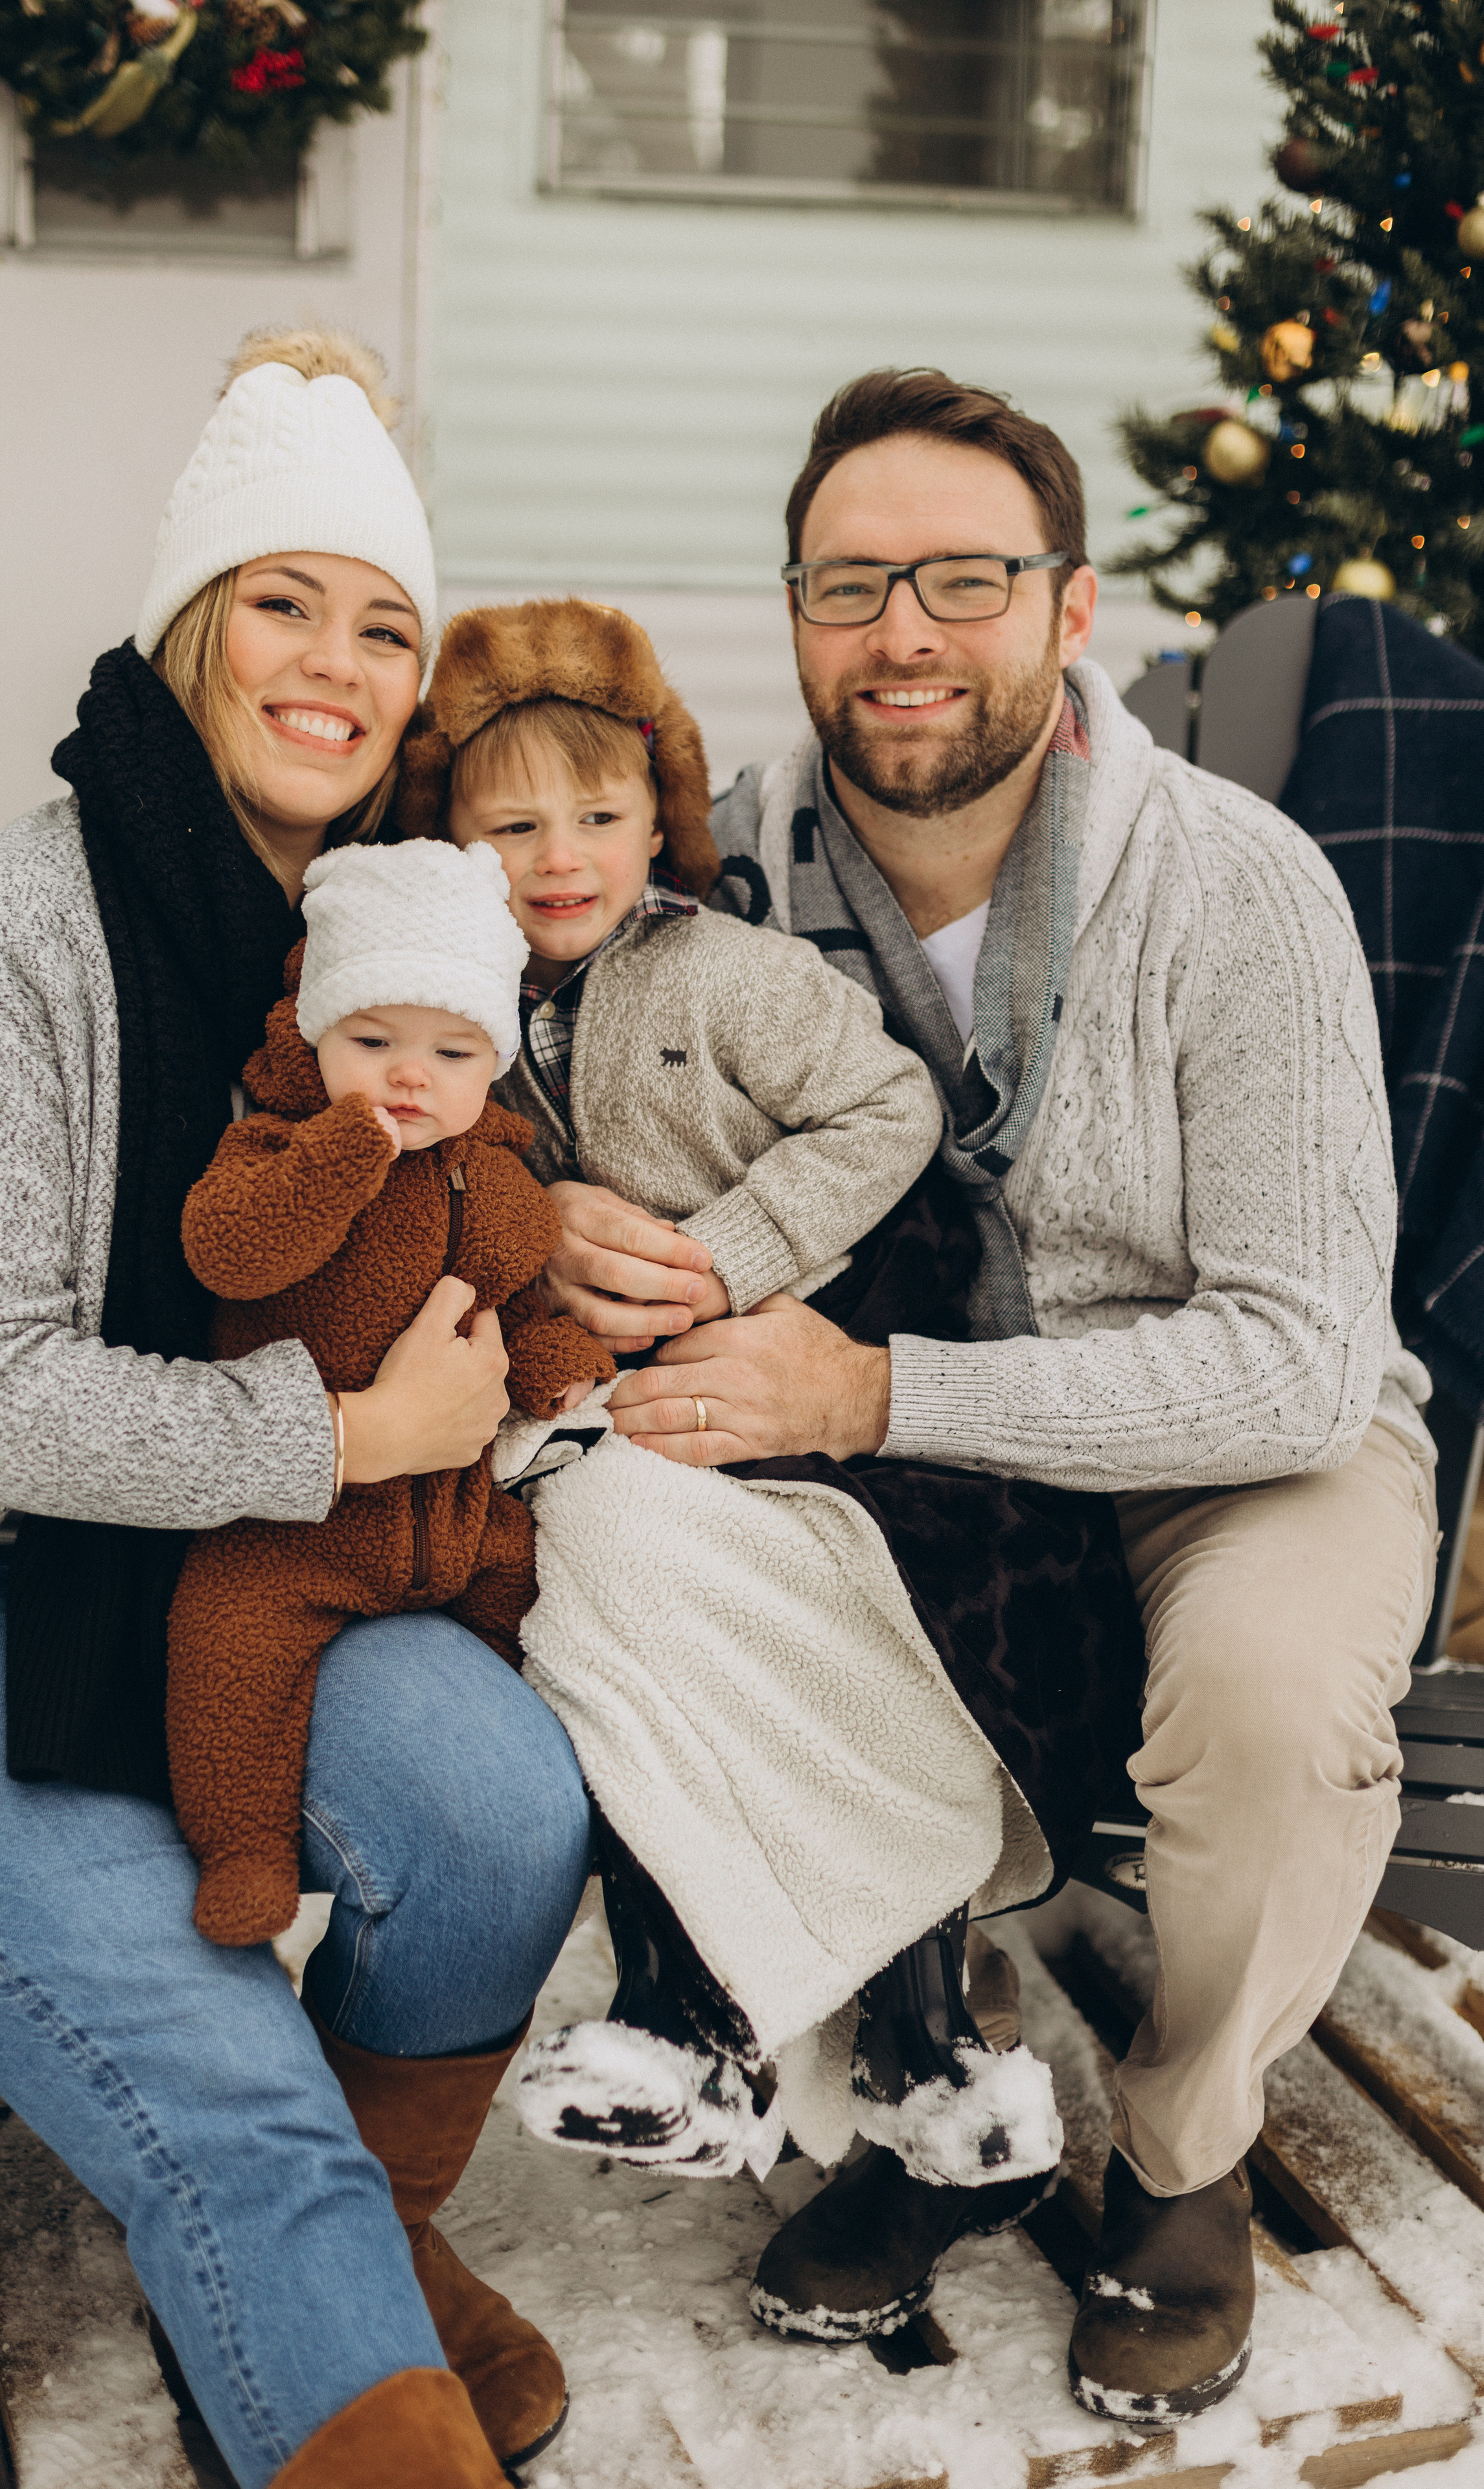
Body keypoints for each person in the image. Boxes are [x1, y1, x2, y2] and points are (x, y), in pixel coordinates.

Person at [535, 369, 1438, 2427]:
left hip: (1235, 1432)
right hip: (857, 1410)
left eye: (965, 579)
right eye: (854, 587)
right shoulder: (715, 873)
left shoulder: (1236, 881)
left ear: (1071, 606)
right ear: (792, 615)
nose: (907, 636)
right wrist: (565, 1225)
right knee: (688, 1572)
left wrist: (882, 1393)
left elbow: (1299, 1353)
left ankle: (1189, 2150)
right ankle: (928, 2083)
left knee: (1276, 1704)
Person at [0, 327, 582, 2488]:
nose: (333, 666)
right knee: (219, 2063)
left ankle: (347, 2246)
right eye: (281, 602)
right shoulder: (6, 938)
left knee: (502, 1816)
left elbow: (476, 1137)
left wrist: (574, 1254)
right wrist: (343, 1447)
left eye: (381, 624)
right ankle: (303, 2255)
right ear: (186, 628)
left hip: (213, 1560)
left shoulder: (348, 938)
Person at [394, 592, 1133, 2253]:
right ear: (445, 839)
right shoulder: (453, 1010)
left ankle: (860, 2023)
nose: (559, 853)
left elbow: (888, 1102)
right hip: (576, 1412)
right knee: (603, 1607)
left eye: (599, 811)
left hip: (800, 1370)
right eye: (508, 822)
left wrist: (728, 1257)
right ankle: (718, 2022)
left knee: (729, 1594)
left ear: (664, 811)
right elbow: (419, 1168)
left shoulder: (722, 972)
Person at [167, 836, 614, 1950]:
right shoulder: (275, 1147)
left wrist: (548, 1358)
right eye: (373, 1042)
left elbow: (512, 1303)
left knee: (545, 1596)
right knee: (227, 1651)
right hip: (293, 1530)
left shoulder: (500, 1184)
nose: (411, 1077)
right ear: (317, 1031)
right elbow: (228, 1254)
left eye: (453, 1051)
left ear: (492, 1061)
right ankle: (245, 1849)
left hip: (455, 1526)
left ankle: (594, 1824)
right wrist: (339, 1157)